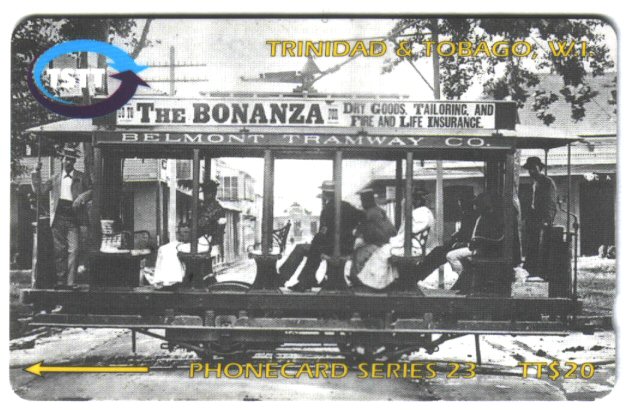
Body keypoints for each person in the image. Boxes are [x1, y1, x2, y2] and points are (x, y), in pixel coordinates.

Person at [277, 181, 364, 291]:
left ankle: (287, 278)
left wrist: (315, 242)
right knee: (315, 248)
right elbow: (363, 218)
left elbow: (323, 232)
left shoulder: (328, 209)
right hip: (346, 245)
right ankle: (308, 278)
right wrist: (353, 234)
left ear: (325, 194)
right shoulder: (347, 206)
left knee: (305, 248)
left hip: (333, 246)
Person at [31, 146, 92, 288]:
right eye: (66, 159)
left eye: (71, 159)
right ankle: (60, 281)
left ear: (74, 161)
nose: (68, 162)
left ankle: (70, 283)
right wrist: (35, 172)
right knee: (59, 251)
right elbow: (39, 191)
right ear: (62, 160)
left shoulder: (81, 177)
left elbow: (92, 190)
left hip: (74, 219)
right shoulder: (55, 178)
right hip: (58, 218)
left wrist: (82, 197)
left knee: (74, 250)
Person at [148, 180, 226, 287]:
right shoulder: (208, 207)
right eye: (204, 192)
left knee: (168, 250)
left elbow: (199, 224)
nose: (205, 195)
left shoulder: (214, 209)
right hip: (203, 241)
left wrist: (188, 227)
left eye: (207, 192)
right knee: (165, 248)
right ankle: (170, 279)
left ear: (212, 193)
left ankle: (172, 280)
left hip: (204, 242)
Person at [412, 192, 477, 282]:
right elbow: (463, 232)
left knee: (438, 254)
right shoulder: (467, 215)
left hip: (465, 244)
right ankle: (417, 274)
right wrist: (455, 236)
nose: (460, 205)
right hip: (459, 243)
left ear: (467, 203)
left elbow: (468, 235)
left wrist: (456, 240)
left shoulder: (471, 216)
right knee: (437, 251)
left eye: (462, 203)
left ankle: (416, 275)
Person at [446, 192, 504, 291]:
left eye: (478, 205)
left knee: (451, 256)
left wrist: (474, 242)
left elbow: (489, 238)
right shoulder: (482, 217)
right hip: (477, 247)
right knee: (459, 255)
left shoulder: (489, 218)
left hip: (484, 250)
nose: (476, 207)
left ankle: (464, 280)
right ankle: (465, 279)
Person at [349, 189, 398, 290]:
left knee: (358, 253)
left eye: (363, 200)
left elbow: (360, 230)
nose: (362, 203)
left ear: (367, 200)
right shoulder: (379, 210)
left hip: (380, 244)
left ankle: (358, 281)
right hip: (388, 242)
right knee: (360, 248)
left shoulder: (369, 213)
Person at [521, 156, 557, 277]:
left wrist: (547, 220)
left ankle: (541, 272)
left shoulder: (547, 182)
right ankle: (530, 270)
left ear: (539, 168)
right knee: (531, 245)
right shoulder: (534, 183)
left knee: (541, 246)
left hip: (542, 219)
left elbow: (551, 202)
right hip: (534, 218)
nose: (531, 171)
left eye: (534, 168)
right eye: (529, 169)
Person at [389, 186, 437, 255]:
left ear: (417, 201)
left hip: (414, 247)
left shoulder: (419, 213)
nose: (412, 202)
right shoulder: (426, 212)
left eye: (413, 200)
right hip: (420, 245)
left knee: (384, 251)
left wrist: (393, 240)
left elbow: (409, 232)